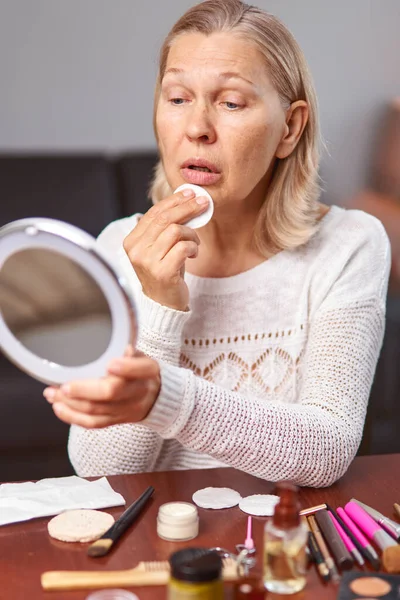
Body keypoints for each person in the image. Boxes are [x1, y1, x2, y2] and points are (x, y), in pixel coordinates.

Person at [44, 0, 390, 487]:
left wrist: (165, 397)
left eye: (230, 102)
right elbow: (101, 469)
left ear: (289, 129)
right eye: (178, 98)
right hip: (154, 551)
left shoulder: (349, 244)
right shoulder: (117, 246)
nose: (196, 128)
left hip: (279, 545)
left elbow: (326, 450)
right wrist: (159, 304)